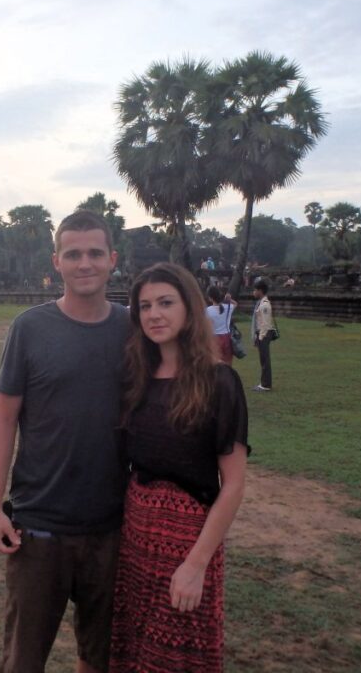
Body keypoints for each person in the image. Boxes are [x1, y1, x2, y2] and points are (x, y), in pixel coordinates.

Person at [0, 209, 130, 673]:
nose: (84, 263)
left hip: (111, 525)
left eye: (93, 253)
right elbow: (3, 419)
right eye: (73, 254)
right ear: (56, 262)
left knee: (100, 655)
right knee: (24, 660)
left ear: (113, 259)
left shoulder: (134, 330)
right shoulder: (30, 328)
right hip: (39, 525)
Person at [110, 262, 249, 672]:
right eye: (146, 305)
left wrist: (195, 563)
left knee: (177, 653)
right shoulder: (138, 377)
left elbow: (235, 484)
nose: (155, 314)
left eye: (166, 303)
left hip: (189, 539)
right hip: (136, 533)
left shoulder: (218, 381)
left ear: (189, 307)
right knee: (133, 649)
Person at [251, 279, 276, 392]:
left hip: (264, 333)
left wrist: (260, 337)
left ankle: (266, 385)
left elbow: (265, 324)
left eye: (255, 290)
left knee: (265, 359)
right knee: (263, 359)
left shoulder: (264, 305)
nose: (254, 292)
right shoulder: (261, 303)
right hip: (262, 333)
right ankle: (264, 383)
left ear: (260, 291)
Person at [204, 285, 237, 365]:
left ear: (211, 298)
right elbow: (235, 304)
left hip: (214, 338)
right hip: (227, 337)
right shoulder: (228, 307)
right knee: (228, 362)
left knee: (215, 363)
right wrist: (229, 299)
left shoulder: (208, 310)